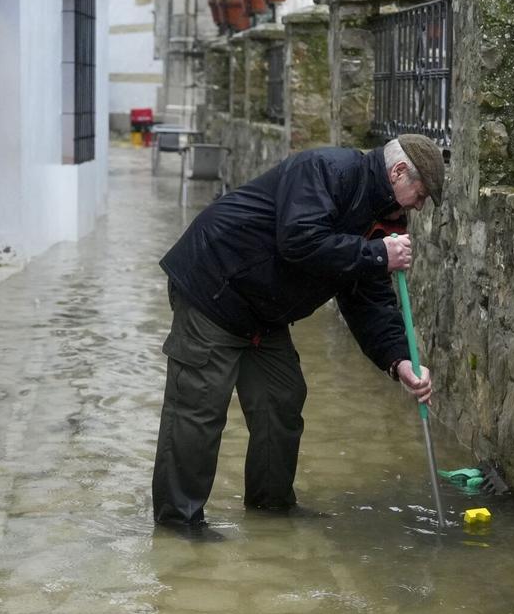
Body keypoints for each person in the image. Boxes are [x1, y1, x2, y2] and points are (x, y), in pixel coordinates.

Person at [151, 134, 446, 539]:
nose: (421, 205)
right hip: (214, 287)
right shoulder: (325, 170)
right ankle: (177, 528)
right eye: (423, 192)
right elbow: (300, 241)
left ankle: (271, 510)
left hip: (262, 312)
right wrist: (378, 255)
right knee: (199, 408)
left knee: (282, 398)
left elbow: (368, 299)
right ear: (398, 172)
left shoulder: (385, 219)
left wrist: (399, 360)